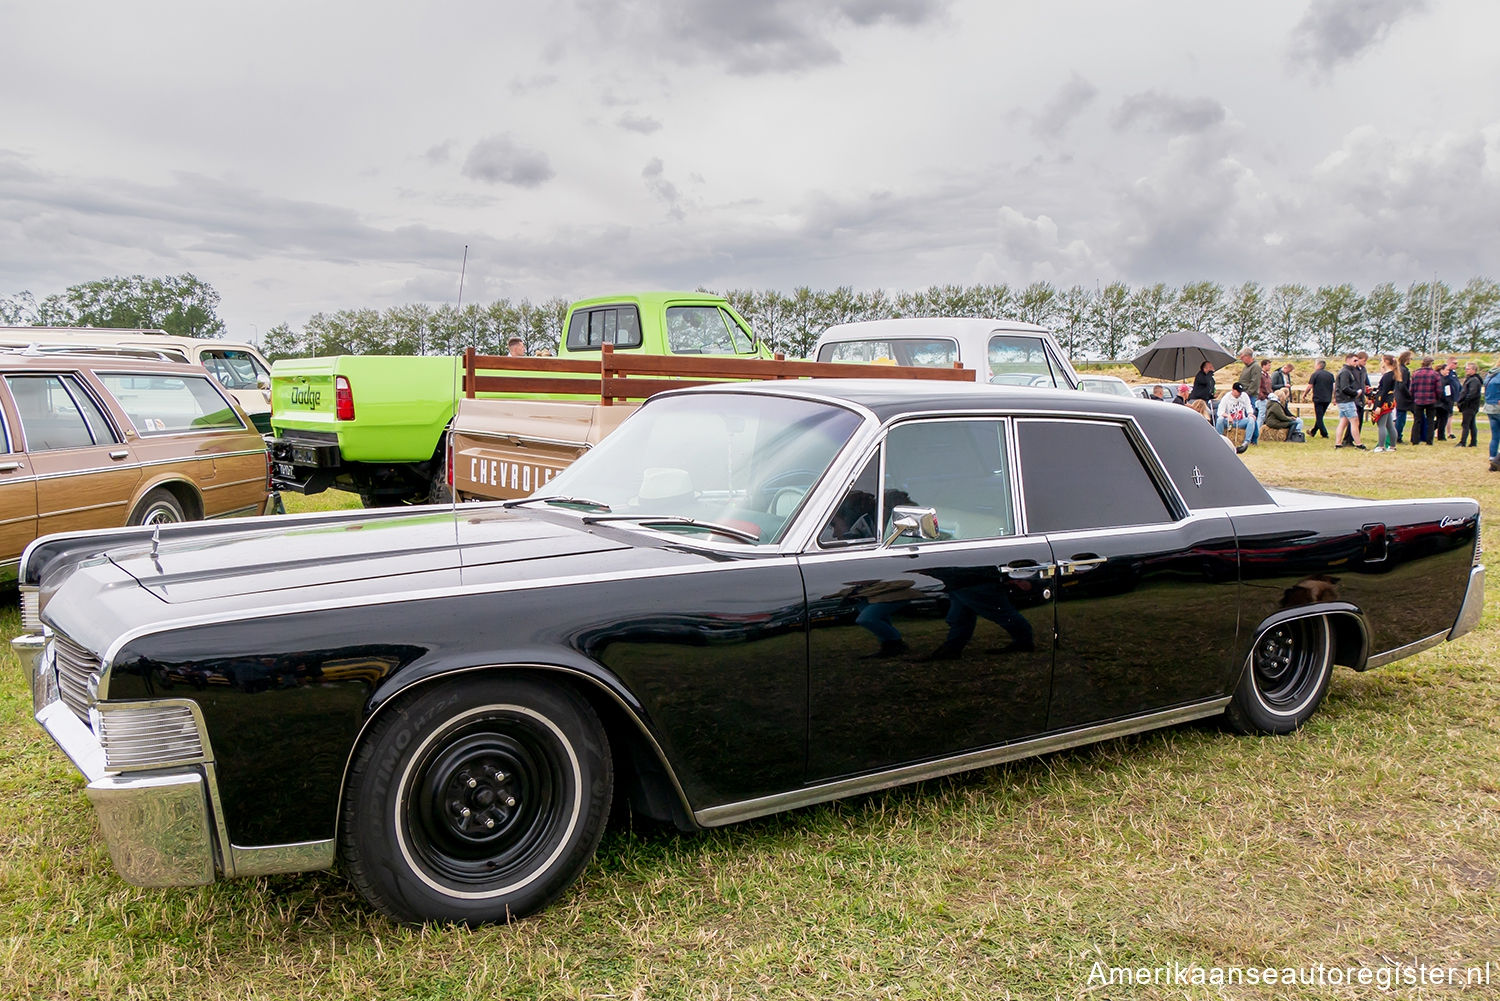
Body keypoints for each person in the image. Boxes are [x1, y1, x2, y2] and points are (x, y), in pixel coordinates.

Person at [1333, 352, 1367, 450]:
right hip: (1346, 400)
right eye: (1354, 360)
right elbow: (1344, 388)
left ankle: (1338, 443)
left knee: (1343, 422)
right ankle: (1358, 443)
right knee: (1354, 421)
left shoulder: (1347, 371)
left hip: (1343, 400)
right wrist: (1356, 393)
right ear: (1348, 360)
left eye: (1357, 360)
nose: (1356, 363)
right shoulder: (1345, 372)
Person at [1214, 383, 1257, 452]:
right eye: (1238, 392)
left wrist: (1250, 414)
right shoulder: (1226, 397)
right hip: (1229, 422)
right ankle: (1219, 440)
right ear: (1233, 390)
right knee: (1220, 420)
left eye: (1240, 392)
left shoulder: (1244, 396)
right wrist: (1228, 416)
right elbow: (1220, 412)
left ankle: (1246, 443)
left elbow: (1249, 406)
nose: (1240, 394)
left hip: (1240, 421)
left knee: (1251, 420)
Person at [1408, 355, 1440, 445]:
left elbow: (1412, 388)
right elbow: (1439, 389)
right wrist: (1437, 397)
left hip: (1418, 399)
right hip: (1431, 400)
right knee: (1430, 421)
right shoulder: (1435, 374)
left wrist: (1413, 397)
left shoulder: (1416, 374)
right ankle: (1429, 440)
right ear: (1431, 363)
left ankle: (1415, 440)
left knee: (1417, 420)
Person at [1371, 354, 1398, 452]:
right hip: (1390, 400)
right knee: (1390, 425)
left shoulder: (1387, 376)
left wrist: (1378, 405)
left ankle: (1381, 446)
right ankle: (1392, 446)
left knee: (1381, 425)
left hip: (1384, 402)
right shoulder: (1393, 374)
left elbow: (1384, 391)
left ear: (1386, 362)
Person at [1456, 360, 1484, 447]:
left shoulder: (1474, 381)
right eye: (1466, 369)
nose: (1466, 370)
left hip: (1470, 406)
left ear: (1474, 370)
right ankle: (1473, 442)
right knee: (1471, 424)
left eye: (1468, 369)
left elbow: (1472, 394)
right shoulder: (1471, 380)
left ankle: (1463, 442)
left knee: (1466, 424)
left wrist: (1463, 402)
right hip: (1470, 405)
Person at [1305, 359, 1335, 438]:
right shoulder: (1330, 375)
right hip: (1327, 398)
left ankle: (1324, 433)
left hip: (1318, 398)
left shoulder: (1315, 374)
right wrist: (1334, 397)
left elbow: (1310, 386)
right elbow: (1334, 387)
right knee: (1320, 416)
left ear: (1318, 365)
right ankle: (1313, 432)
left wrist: (1305, 394)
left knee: (1319, 417)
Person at [1394, 349, 1414, 443]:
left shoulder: (1399, 368)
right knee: (1401, 418)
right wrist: (1409, 395)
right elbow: (1402, 385)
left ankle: (1396, 435)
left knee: (1399, 417)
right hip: (1403, 397)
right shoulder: (1404, 370)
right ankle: (1398, 436)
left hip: (1398, 396)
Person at [1484, 362, 1500, 471]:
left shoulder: (1490, 374)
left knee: (1495, 435)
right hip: (1498, 406)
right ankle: (1497, 460)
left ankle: (1493, 456)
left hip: (1489, 406)